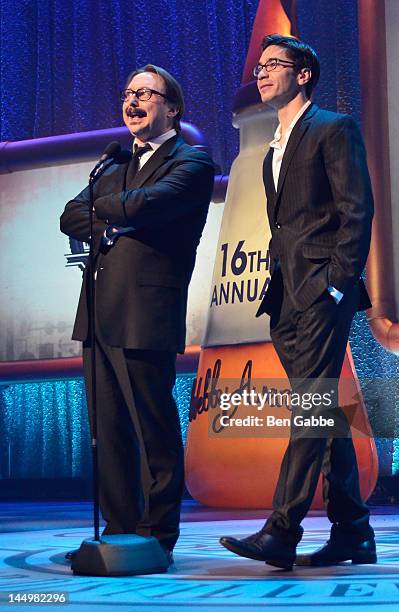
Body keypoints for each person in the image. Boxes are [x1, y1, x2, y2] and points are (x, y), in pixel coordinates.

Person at [220, 34, 375, 570]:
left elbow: (357, 211)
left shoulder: (334, 128)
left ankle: (281, 531)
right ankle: (354, 531)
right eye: (259, 67)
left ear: (302, 74)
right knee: (325, 412)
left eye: (274, 65)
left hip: (322, 295)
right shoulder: (271, 148)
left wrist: (337, 285)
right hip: (285, 299)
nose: (261, 74)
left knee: (309, 411)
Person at [60, 64, 215, 566]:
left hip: (147, 309)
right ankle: (120, 528)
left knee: (153, 427)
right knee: (106, 428)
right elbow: (69, 215)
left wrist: (108, 210)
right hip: (99, 313)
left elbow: (148, 204)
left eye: (146, 93)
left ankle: (157, 533)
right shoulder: (112, 164)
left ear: (172, 107)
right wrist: (116, 208)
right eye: (128, 93)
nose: (133, 101)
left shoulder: (191, 161)